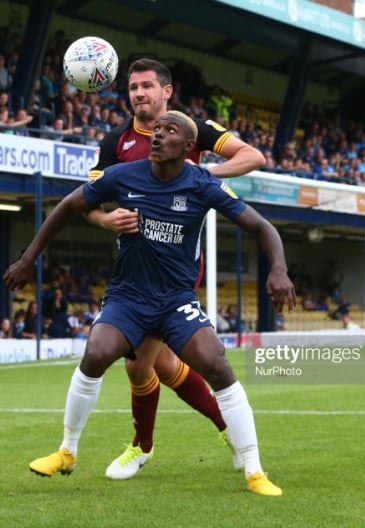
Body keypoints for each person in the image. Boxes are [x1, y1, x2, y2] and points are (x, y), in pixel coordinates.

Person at [4, 111, 295, 496]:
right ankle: (67, 451)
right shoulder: (123, 175)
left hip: (176, 299)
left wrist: (278, 269)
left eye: (169, 130)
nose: (157, 136)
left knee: (216, 363)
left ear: (188, 147)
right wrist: (28, 259)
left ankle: (254, 471)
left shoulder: (202, 183)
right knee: (97, 353)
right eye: (156, 130)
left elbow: (263, 227)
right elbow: (68, 206)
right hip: (128, 296)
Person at [83, 58, 266, 479]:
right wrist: (107, 220)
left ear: (167, 91)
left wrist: (203, 177)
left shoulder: (192, 129)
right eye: (133, 87)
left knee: (138, 365)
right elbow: (89, 203)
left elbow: (251, 155)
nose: (140, 93)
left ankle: (141, 447)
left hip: (175, 268)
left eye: (148, 86)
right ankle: (227, 430)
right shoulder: (116, 141)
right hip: (133, 268)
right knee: (161, 365)